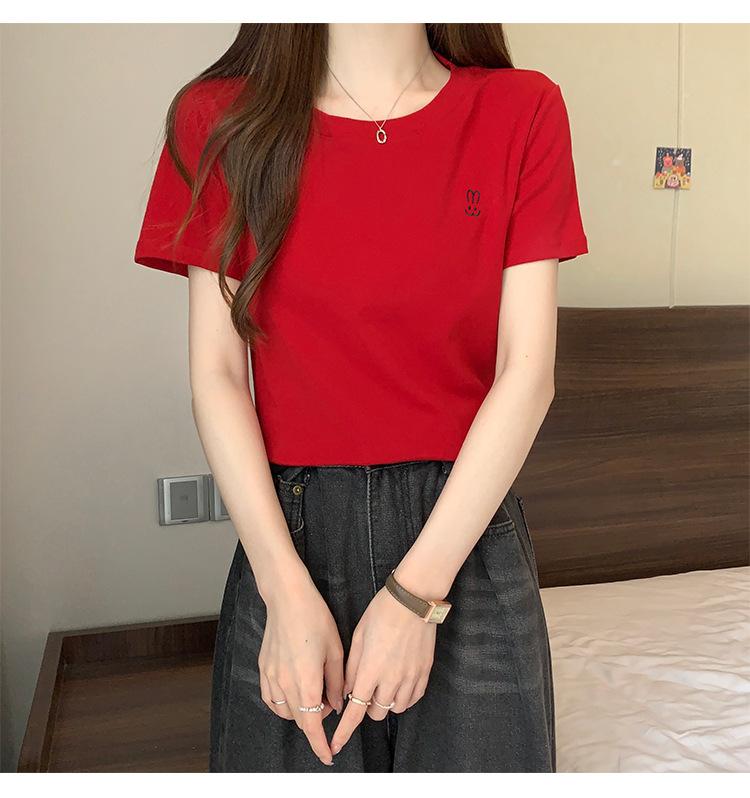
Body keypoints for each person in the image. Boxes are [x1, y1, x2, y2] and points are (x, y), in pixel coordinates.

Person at [134, 22, 588, 773]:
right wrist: (283, 591)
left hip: (462, 537)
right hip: (291, 538)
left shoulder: (522, 109)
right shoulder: (218, 118)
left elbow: (527, 372)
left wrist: (415, 597)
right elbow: (218, 374)